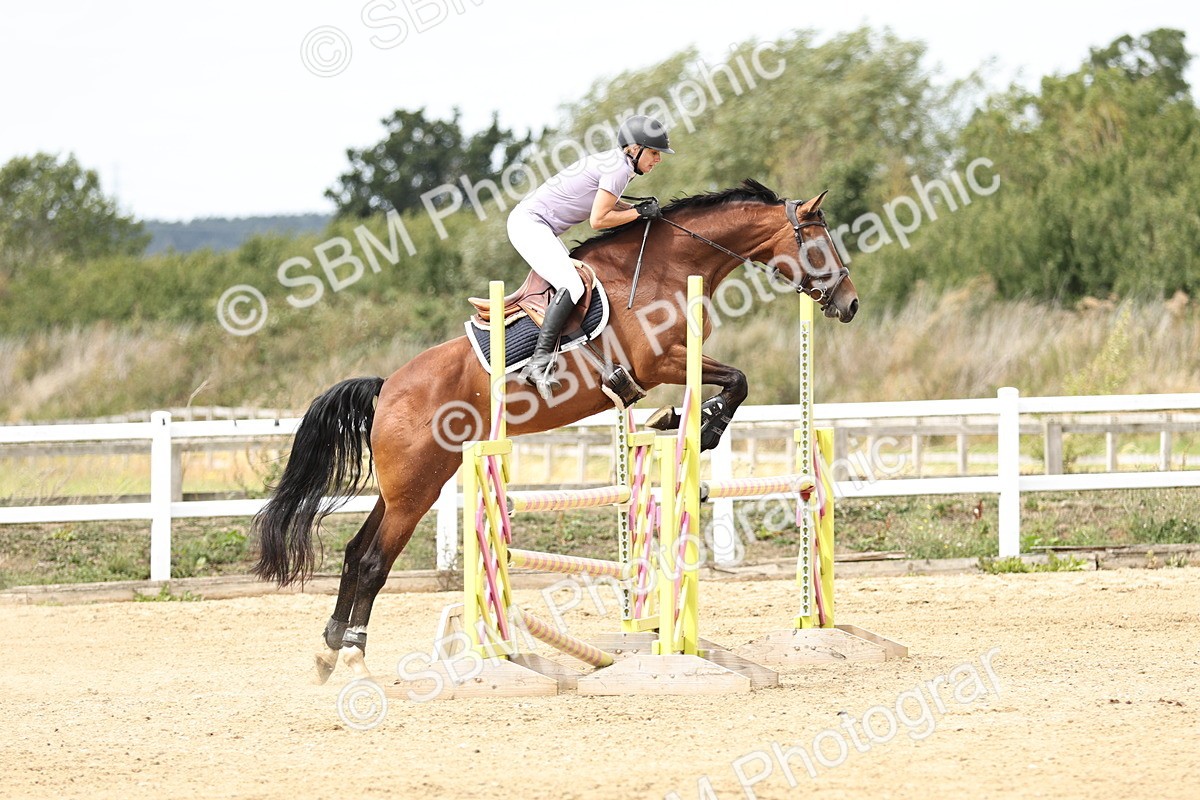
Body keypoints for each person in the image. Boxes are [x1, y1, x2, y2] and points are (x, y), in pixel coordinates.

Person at [507, 114, 674, 399]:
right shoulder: (618, 169)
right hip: (530, 225)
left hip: (540, 226)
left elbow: (605, 203)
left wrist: (637, 209)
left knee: (577, 283)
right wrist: (638, 213)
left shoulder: (618, 165)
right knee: (572, 286)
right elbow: (598, 220)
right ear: (634, 149)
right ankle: (538, 363)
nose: (658, 160)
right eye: (655, 152)